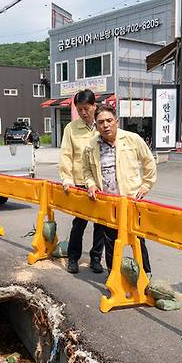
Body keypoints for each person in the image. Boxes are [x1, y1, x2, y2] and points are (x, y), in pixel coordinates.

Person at [82, 104, 156, 274]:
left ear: (116, 121)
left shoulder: (132, 139)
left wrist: (146, 184)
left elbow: (149, 161)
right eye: (101, 122)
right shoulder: (92, 145)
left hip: (131, 200)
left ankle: (146, 278)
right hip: (108, 203)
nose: (105, 125)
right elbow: (86, 170)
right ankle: (113, 276)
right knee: (111, 242)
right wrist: (91, 184)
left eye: (109, 120)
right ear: (96, 124)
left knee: (138, 240)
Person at [59, 89, 105, 274]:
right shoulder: (71, 128)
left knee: (101, 223)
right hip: (79, 181)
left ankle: (96, 258)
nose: (84, 113)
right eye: (80, 109)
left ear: (94, 106)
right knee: (80, 222)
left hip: (100, 182)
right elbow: (66, 155)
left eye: (86, 108)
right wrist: (67, 179)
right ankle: (73, 258)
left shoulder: (102, 125)